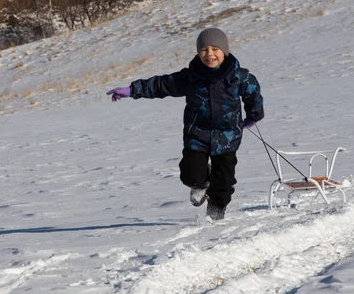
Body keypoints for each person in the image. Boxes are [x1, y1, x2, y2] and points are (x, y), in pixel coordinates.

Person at [106, 28, 264, 220]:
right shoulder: (190, 77)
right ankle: (200, 185)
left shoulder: (239, 77)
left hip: (227, 138)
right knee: (191, 174)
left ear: (225, 51)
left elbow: (253, 94)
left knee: (223, 182)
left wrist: (254, 115)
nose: (210, 54)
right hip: (196, 135)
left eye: (215, 49)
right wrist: (132, 90)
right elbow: (161, 84)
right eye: (204, 50)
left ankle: (215, 216)